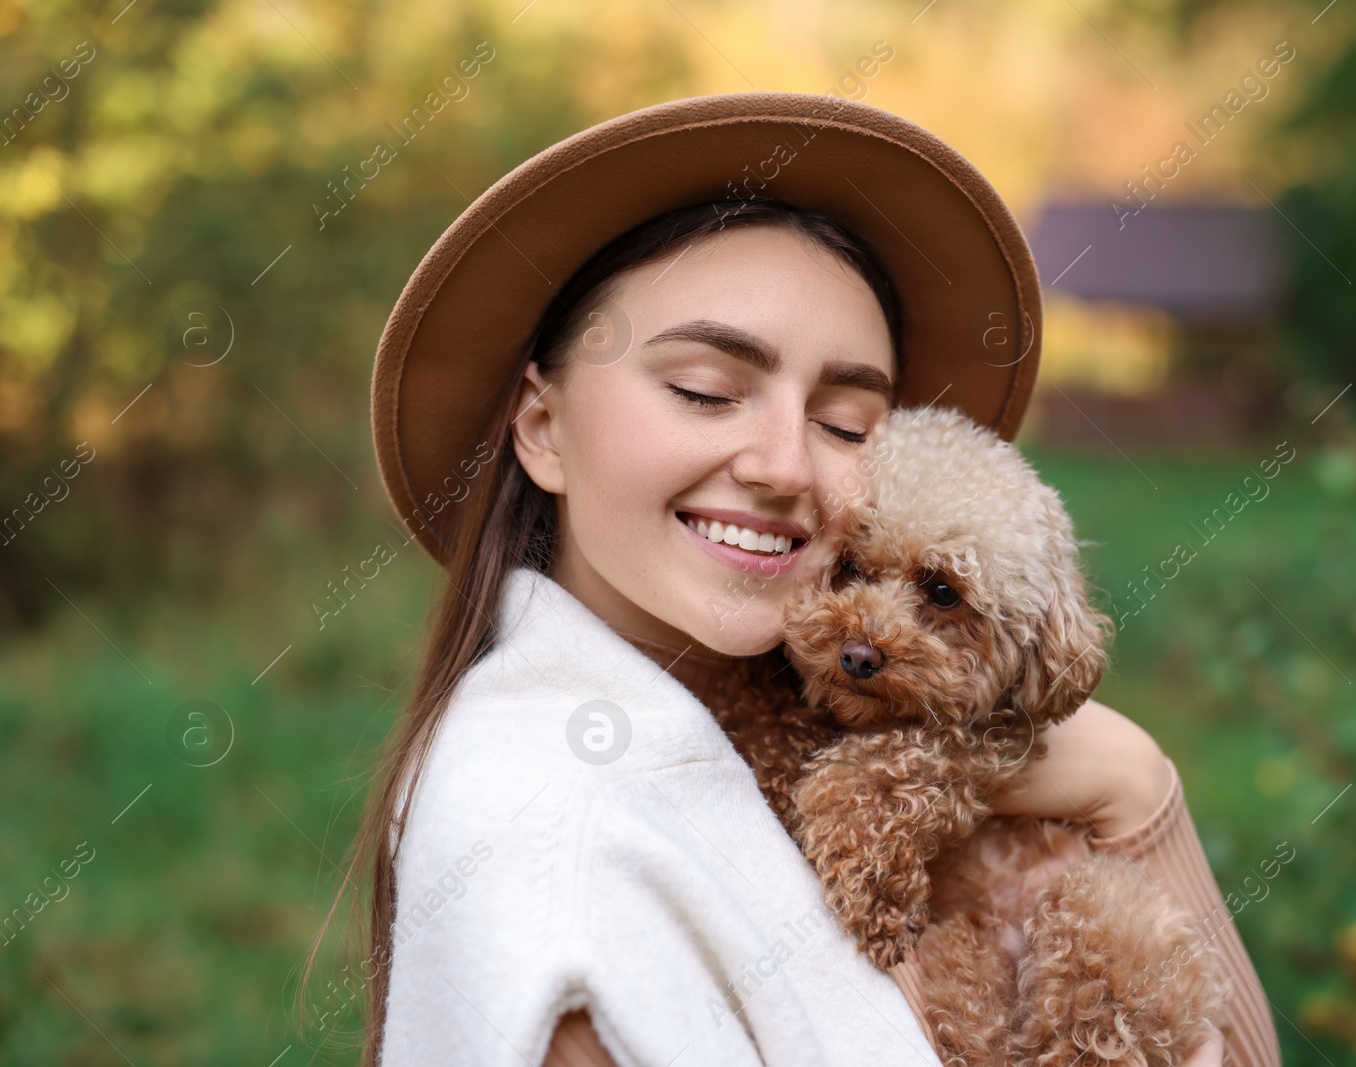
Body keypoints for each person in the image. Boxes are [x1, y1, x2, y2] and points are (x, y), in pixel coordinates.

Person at [315, 93, 1282, 1067]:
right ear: (542, 426)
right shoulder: (550, 848)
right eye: (704, 389)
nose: (783, 464)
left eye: (849, 424)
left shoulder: (826, 718)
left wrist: (1132, 791)